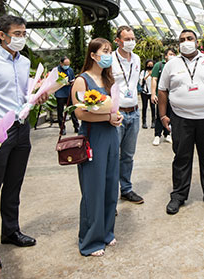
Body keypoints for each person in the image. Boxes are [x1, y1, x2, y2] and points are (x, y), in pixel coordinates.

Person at [0, 15, 48, 250]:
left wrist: (38, 96)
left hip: (21, 127)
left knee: (14, 183)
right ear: (2, 35)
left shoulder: (24, 62)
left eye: (24, 34)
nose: (21, 38)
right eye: (17, 34)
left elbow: (26, 94)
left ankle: (11, 231)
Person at [158, 30, 204, 214]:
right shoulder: (171, 65)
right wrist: (163, 115)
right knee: (181, 157)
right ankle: (179, 195)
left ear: (197, 42)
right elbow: (162, 90)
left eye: (189, 39)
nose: (186, 42)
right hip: (181, 119)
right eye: (182, 40)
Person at [71, 38, 123, 257]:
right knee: (93, 189)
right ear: (92, 55)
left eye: (110, 51)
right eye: (105, 51)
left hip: (111, 136)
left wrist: (117, 116)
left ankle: (107, 232)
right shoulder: (81, 81)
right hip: (93, 138)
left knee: (111, 186)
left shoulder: (108, 79)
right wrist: (107, 116)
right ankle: (90, 241)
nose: (108, 54)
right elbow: (80, 112)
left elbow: (115, 106)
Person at [111, 25, 144, 204]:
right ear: (118, 41)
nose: (131, 42)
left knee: (128, 155)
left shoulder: (137, 58)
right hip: (117, 114)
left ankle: (126, 189)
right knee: (112, 156)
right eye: (127, 39)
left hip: (134, 112)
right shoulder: (110, 60)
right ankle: (110, 197)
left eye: (132, 39)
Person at [151, 48, 175, 145]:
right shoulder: (159, 65)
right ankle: (157, 135)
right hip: (161, 96)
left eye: (174, 54)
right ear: (165, 56)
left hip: (173, 96)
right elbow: (154, 79)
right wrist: (153, 94)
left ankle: (167, 134)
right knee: (160, 115)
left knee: (171, 115)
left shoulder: (176, 65)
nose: (172, 56)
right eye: (170, 54)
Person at [55, 56, 79, 135]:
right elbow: (55, 82)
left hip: (69, 92)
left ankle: (76, 126)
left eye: (68, 64)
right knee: (60, 111)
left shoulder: (70, 70)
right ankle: (62, 128)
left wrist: (73, 82)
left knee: (72, 110)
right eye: (65, 64)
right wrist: (65, 83)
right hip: (60, 93)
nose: (67, 66)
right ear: (61, 63)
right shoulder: (56, 71)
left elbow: (72, 78)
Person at [140, 59, 155, 129]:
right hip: (145, 92)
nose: (150, 66)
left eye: (151, 65)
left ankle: (153, 122)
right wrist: (148, 74)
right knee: (144, 107)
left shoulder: (155, 72)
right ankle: (144, 122)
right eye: (149, 65)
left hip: (152, 93)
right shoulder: (143, 72)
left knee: (153, 107)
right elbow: (141, 81)